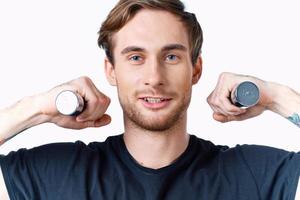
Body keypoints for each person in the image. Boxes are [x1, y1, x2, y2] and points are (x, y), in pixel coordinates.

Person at [0, 0, 299, 199]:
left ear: (195, 69)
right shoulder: (57, 174)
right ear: (111, 70)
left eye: (170, 56)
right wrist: (36, 109)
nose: (154, 77)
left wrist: (276, 97)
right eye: (135, 57)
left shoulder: (257, 174)